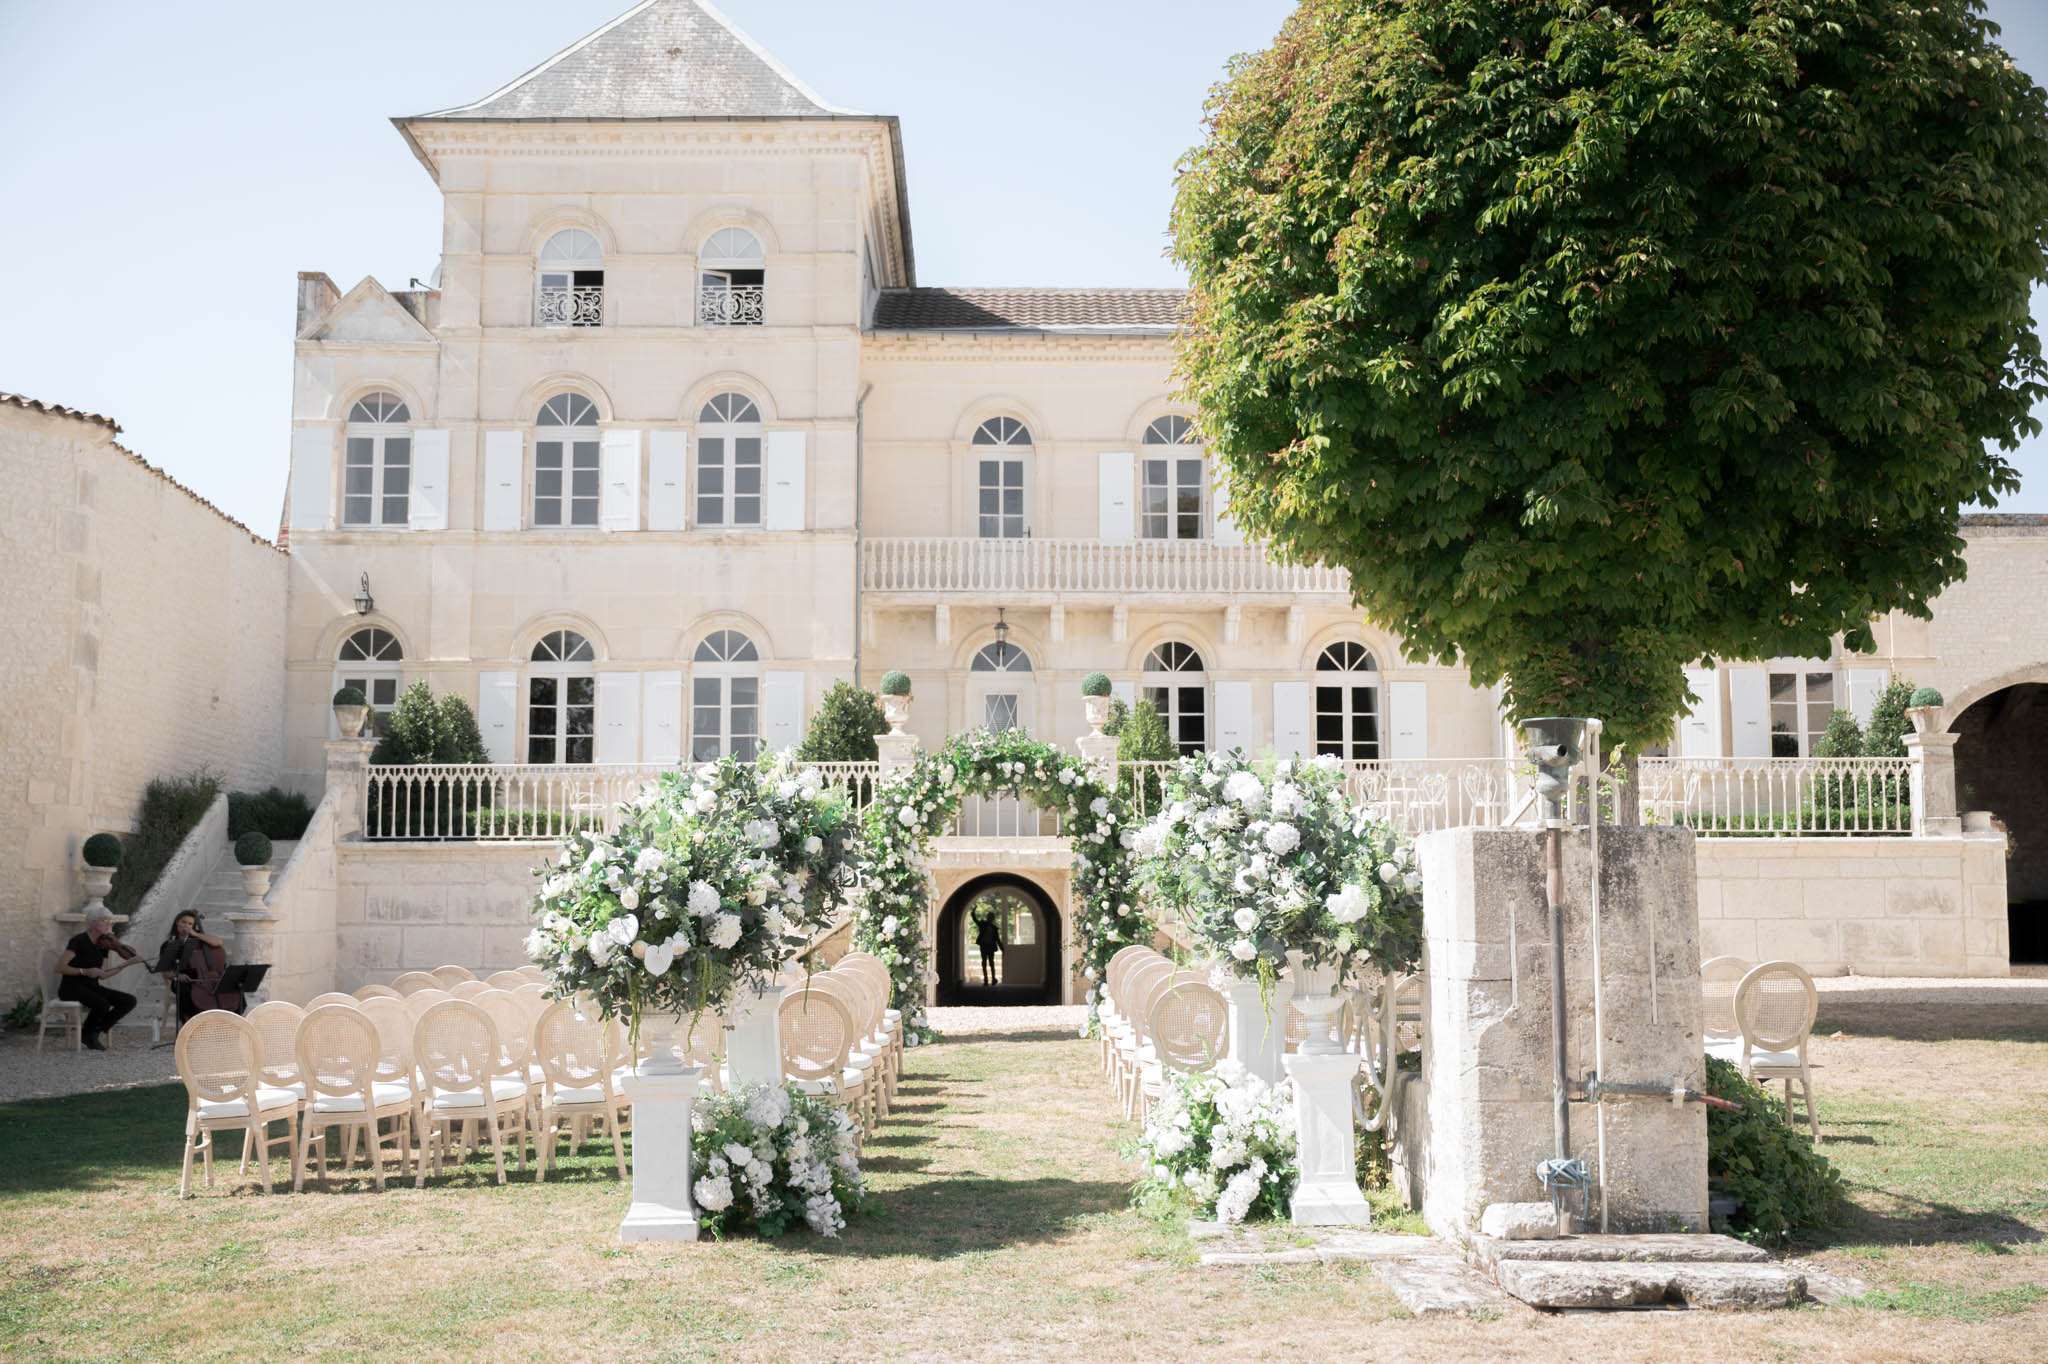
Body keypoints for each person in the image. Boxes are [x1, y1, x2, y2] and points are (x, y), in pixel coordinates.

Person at [57, 908, 146, 1050]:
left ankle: (93, 1032)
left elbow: (103, 974)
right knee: (102, 1004)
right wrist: (84, 971)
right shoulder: (78, 941)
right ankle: (89, 1035)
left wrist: (126, 964)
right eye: (105, 920)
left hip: (92, 986)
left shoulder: (102, 944)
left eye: (110, 921)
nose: (109, 924)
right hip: (71, 987)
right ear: (93, 923)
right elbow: (60, 967)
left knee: (128, 1001)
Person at [158, 910, 228, 1027]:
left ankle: (226, 1024)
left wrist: (196, 934)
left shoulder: (199, 941)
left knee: (230, 989)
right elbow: (165, 972)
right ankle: (189, 1025)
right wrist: (177, 975)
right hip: (182, 979)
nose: (186, 926)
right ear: (177, 923)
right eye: (183, 922)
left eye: (190, 924)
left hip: (203, 979)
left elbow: (218, 942)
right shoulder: (168, 945)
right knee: (185, 989)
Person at [975, 912, 1002, 988]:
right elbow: (975, 920)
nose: (990, 918)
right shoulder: (985, 925)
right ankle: (988, 979)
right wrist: (973, 913)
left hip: (988, 946)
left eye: (991, 917)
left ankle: (991, 979)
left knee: (989, 963)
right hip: (985, 946)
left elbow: (997, 939)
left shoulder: (993, 927)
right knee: (987, 963)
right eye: (990, 917)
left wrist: (1002, 948)